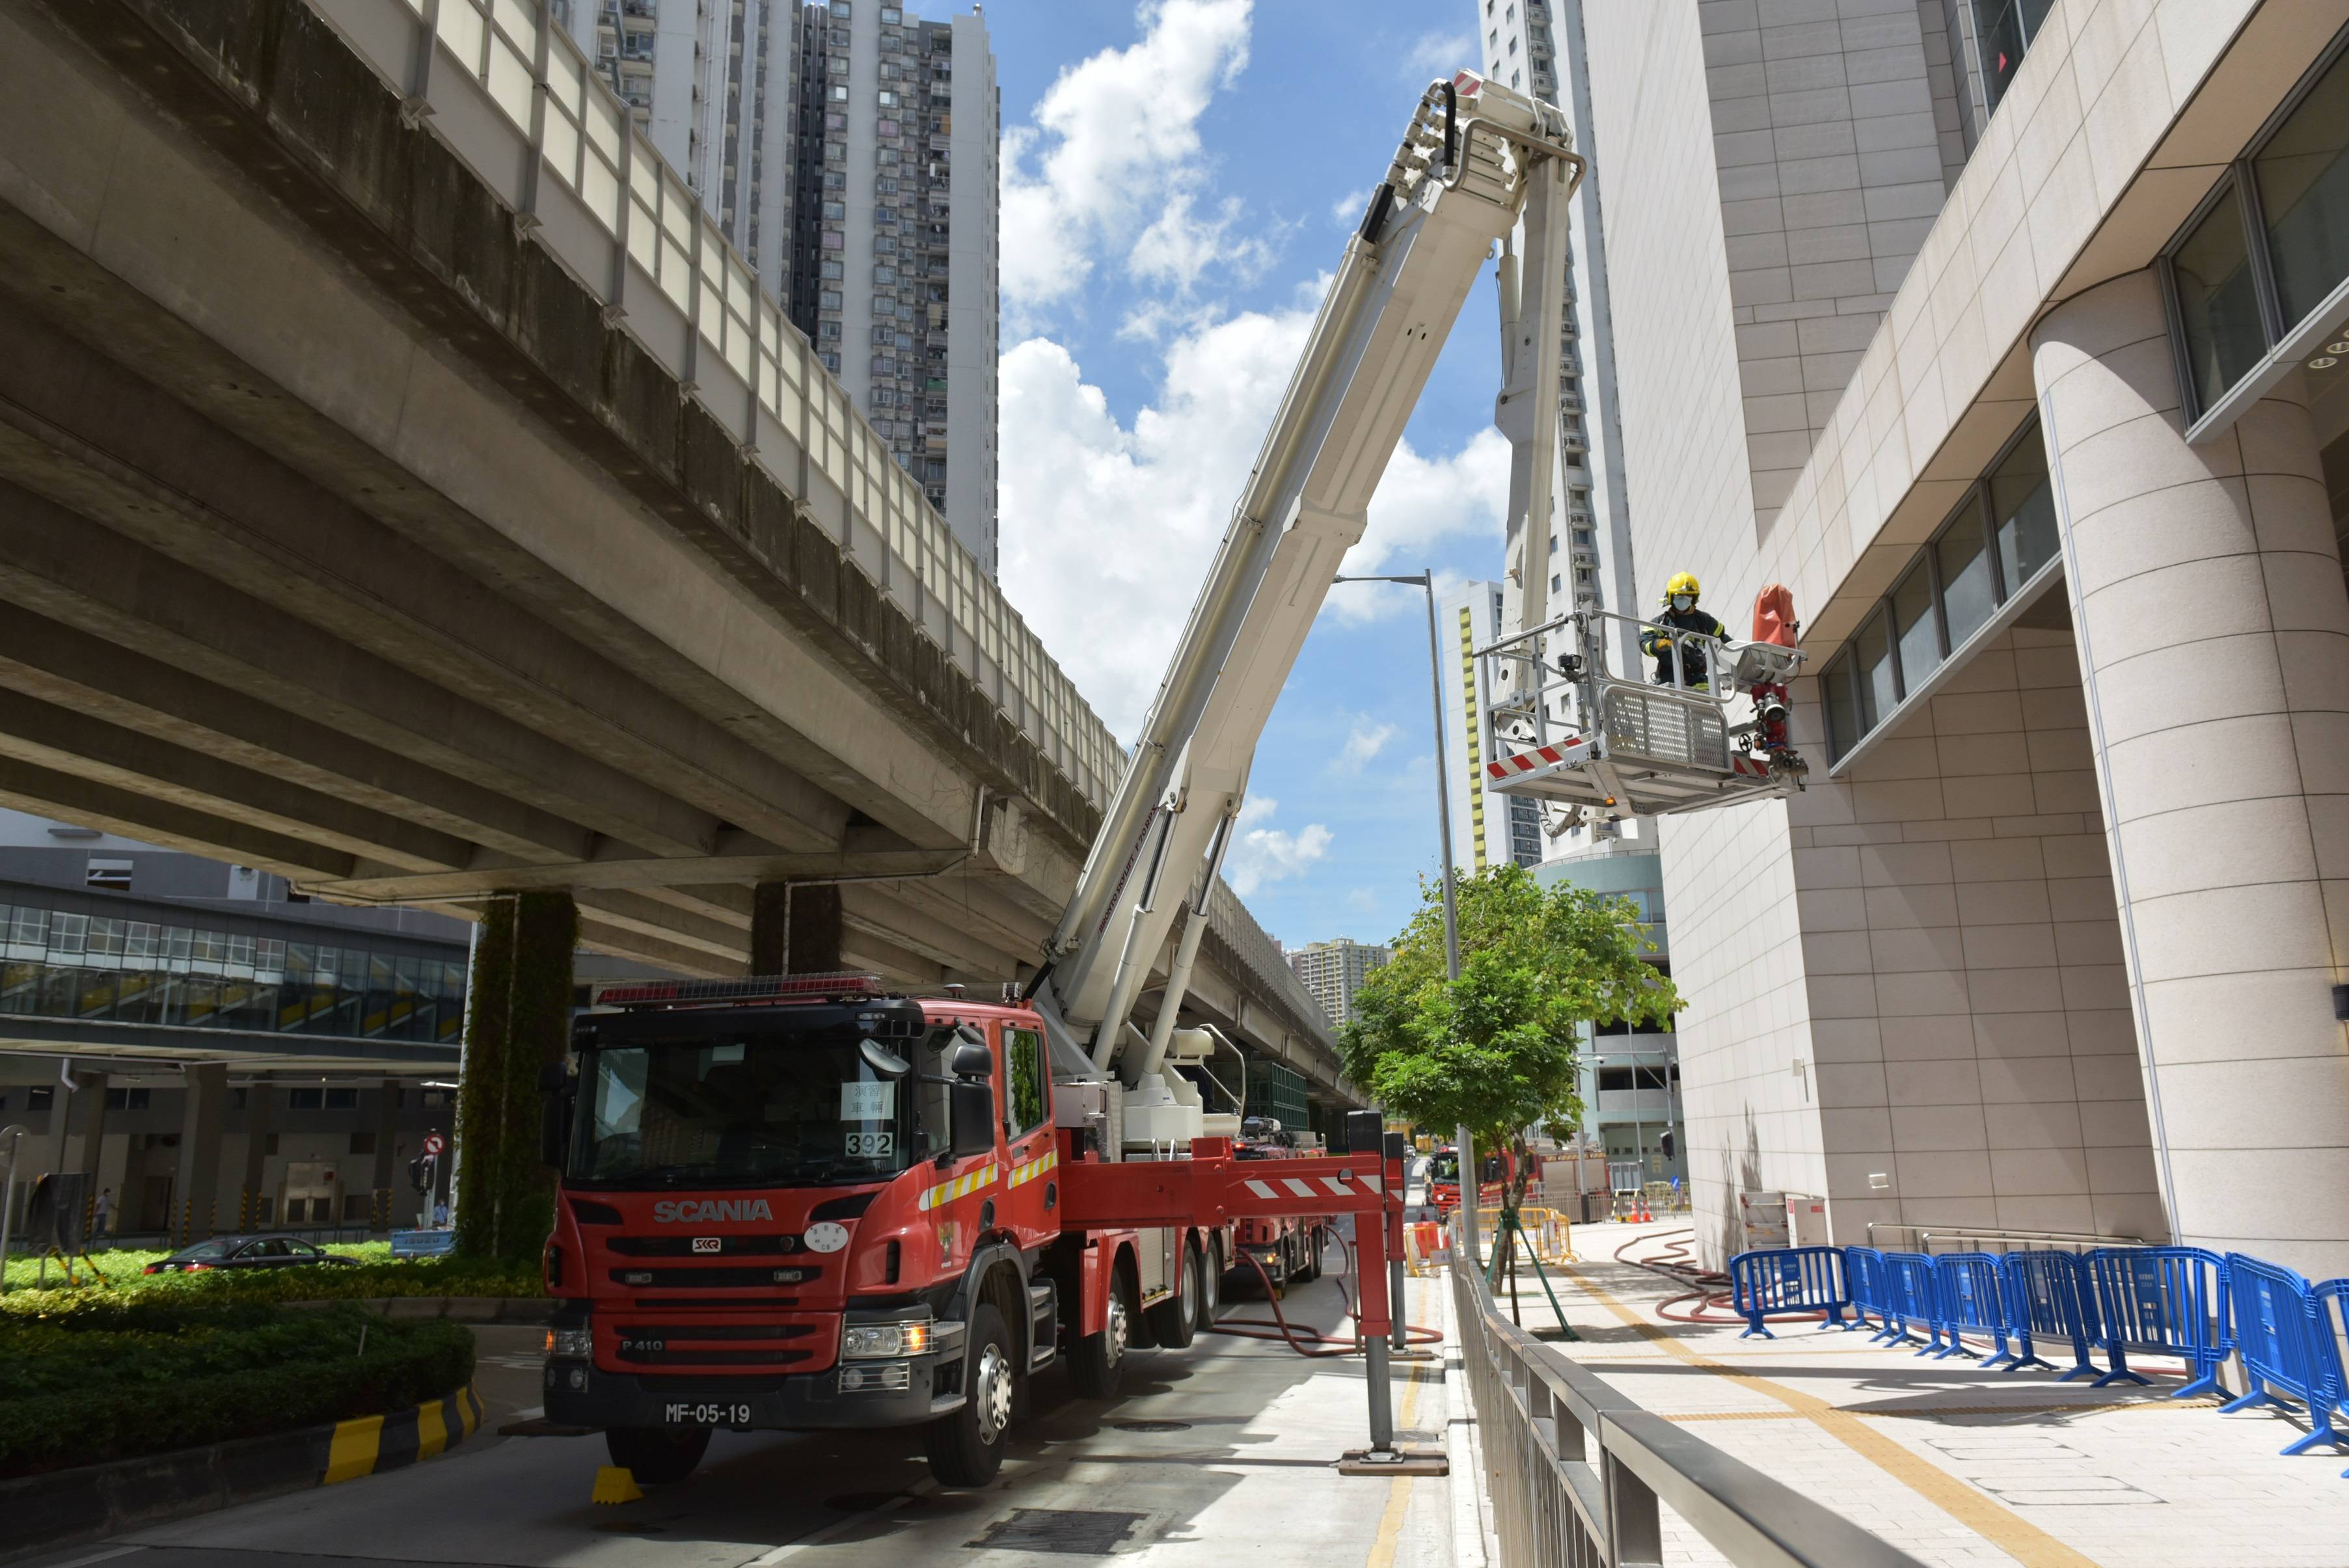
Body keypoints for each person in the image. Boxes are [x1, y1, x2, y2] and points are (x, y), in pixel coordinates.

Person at [1641, 572, 1728, 688]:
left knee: (1706, 690)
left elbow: (1726, 644)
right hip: (1669, 677)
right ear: (1671, 597)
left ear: (1694, 598)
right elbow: (1644, 641)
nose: (1684, 600)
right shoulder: (1662, 622)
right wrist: (1658, 645)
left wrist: (1728, 676)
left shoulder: (1704, 621)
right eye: (1679, 597)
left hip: (1697, 677)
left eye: (1688, 597)